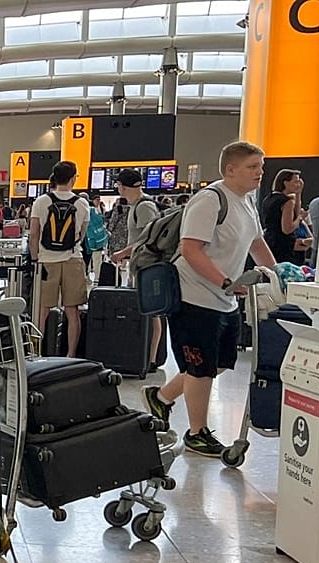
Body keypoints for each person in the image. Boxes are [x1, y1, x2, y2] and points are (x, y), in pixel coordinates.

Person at [143, 141, 279, 457]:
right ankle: (196, 432)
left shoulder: (247, 202)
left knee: (217, 363)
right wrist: (226, 282)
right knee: (199, 367)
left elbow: (256, 243)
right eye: (252, 167)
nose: (260, 172)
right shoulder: (210, 200)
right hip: (195, 295)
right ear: (230, 169)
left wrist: (278, 273)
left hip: (224, 299)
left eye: (261, 166)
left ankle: (161, 398)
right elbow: (191, 249)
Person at [28, 161, 90, 356]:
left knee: (42, 310)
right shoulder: (82, 203)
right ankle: (70, 355)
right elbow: (81, 234)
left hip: (46, 261)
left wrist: (35, 258)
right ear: (73, 178)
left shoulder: (41, 201)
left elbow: (34, 233)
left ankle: (35, 352)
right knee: (72, 311)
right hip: (73, 260)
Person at [109, 168, 165, 368]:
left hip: (147, 267)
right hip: (140, 265)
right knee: (146, 311)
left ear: (123, 186)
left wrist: (123, 252)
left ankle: (150, 358)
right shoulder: (136, 205)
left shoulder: (144, 207)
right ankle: (144, 354)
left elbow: (149, 239)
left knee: (151, 313)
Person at [260, 169, 308, 266]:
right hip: (284, 246)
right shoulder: (287, 201)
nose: (298, 185)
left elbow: (294, 212)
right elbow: (287, 228)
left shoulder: (268, 199)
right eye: (295, 182)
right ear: (285, 183)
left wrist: (298, 194)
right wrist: (299, 218)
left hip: (269, 240)